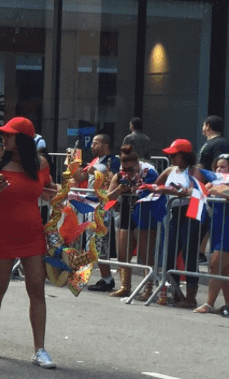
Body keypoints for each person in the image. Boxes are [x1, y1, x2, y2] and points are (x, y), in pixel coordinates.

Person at [0, 118, 59, 368]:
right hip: (2, 232)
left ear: (22, 140)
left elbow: (49, 190)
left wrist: (58, 192)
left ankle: (39, 349)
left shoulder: (40, 164)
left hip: (32, 234)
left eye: (9, 135)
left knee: (37, 290)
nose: (4, 139)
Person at [151, 138, 205, 309]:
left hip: (191, 213)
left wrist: (173, 191)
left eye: (174, 155)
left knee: (190, 256)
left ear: (185, 156)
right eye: (170, 155)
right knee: (169, 255)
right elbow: (155, 184)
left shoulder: (195, 171)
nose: (172, 158)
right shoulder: (170, 170)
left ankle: (190, 297)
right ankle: (176, 293)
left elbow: (195, 190)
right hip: (175, 213)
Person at [105, 145, 162, 299]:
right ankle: (125, 286)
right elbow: (108, 196)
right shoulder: (120, 174)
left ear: (137, 163)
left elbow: (153, 191)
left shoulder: (149, 171)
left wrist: (136, 189)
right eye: (126, 169)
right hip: (126, 211)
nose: (129, 172)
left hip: (145, 212)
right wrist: (119, 191)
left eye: (132, 169)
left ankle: (148, 290)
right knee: (122, 252)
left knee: (146, 253)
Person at [74, 132, 120, 292]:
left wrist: (97, 172)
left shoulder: (112, 160)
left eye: (95, 143)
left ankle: (105, 279)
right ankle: (104, 278)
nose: (92, 146)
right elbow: (79, 178)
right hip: (90, 208)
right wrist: (74, 164)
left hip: (101, 209)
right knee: (91, 244)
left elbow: (114, 178)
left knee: (99, 245)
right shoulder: (94, 161)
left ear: (105, 145)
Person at [195, 155, 229, 315]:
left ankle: (209, 303)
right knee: (225, 270)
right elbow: (201, 190)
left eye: (223, 167)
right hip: (216, 229)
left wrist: (220, 191)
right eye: (217, 167)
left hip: (227, 231)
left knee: (215, 264)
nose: (219, 170)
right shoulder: (215, 182)